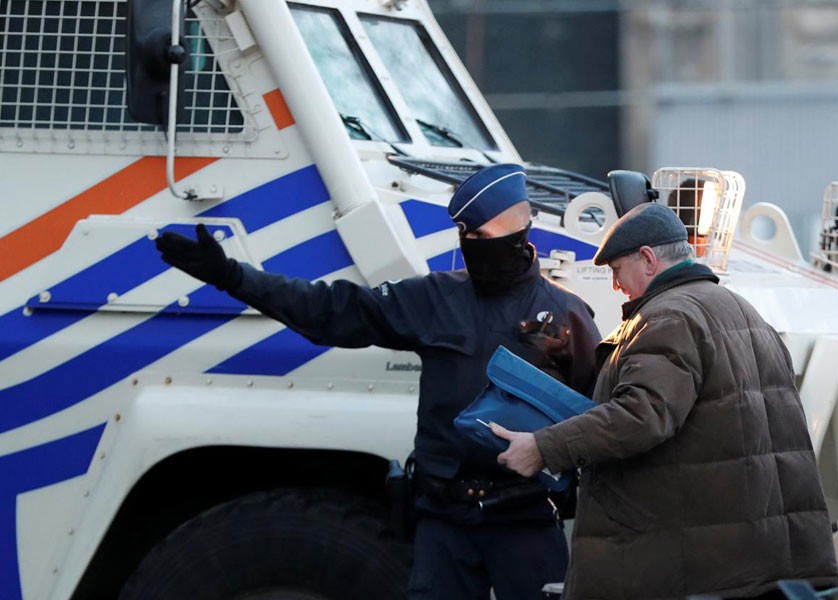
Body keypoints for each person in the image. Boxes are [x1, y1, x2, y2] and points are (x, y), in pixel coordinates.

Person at [154, 163, 601, 600]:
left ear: (517, 233)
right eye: (465, 235)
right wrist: (232, 277)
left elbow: (599, 420)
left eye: (482, 236)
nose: (471, 244)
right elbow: (329, 310)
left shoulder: (566, 314)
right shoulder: (434, 297)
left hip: (525, 521)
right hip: (444, 522)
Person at [492, 202, 838, 600]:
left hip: (691, 568)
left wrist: (544, 446)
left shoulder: (667, 318)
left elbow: (641, 415)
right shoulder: (744, 312)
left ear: (648, 259)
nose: (616, 286)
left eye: (617, 271)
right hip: (752, 559)